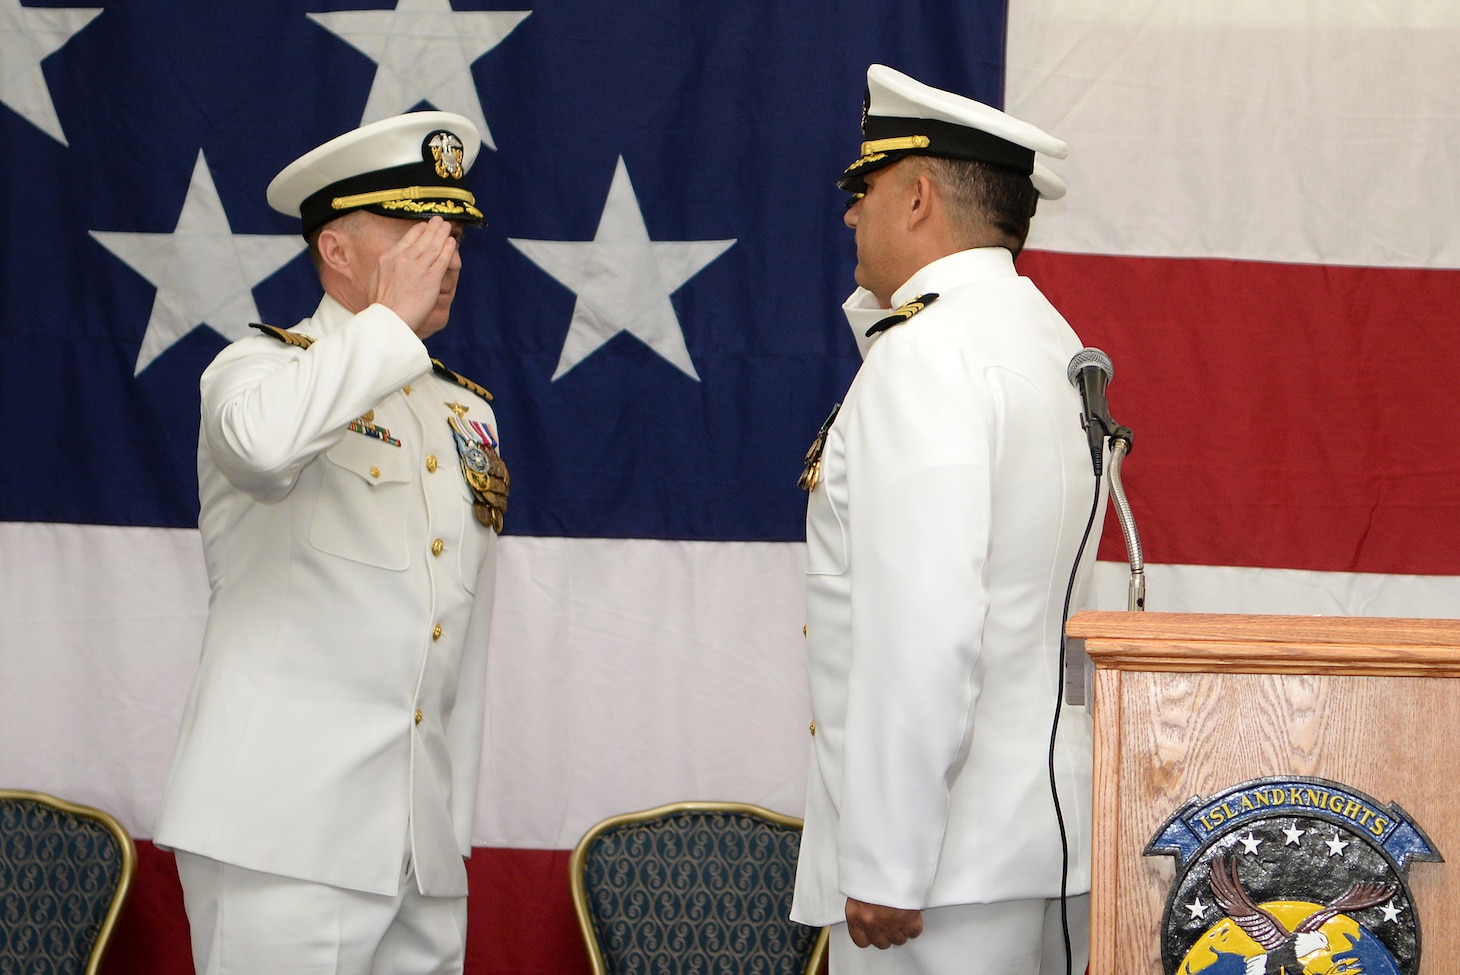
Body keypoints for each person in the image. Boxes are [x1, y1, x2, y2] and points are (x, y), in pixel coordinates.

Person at [154, 111, 510, 975]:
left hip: (416, 851)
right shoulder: (256, 371)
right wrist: (385, 325)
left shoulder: (466, 411)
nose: (446, 252)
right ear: (336, 251)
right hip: (281, 837)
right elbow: (266, 447)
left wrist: (447, 833)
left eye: (453, 228)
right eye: (415, 226)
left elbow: (462, 638)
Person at [791, 65, 1103, 974]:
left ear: (919, 195)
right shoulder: (1050, 341)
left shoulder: (928, 355)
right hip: (1043, 849)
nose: (851, 215)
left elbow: (925, 629)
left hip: (937, 877)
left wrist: (886, 859)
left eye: (866, 190)